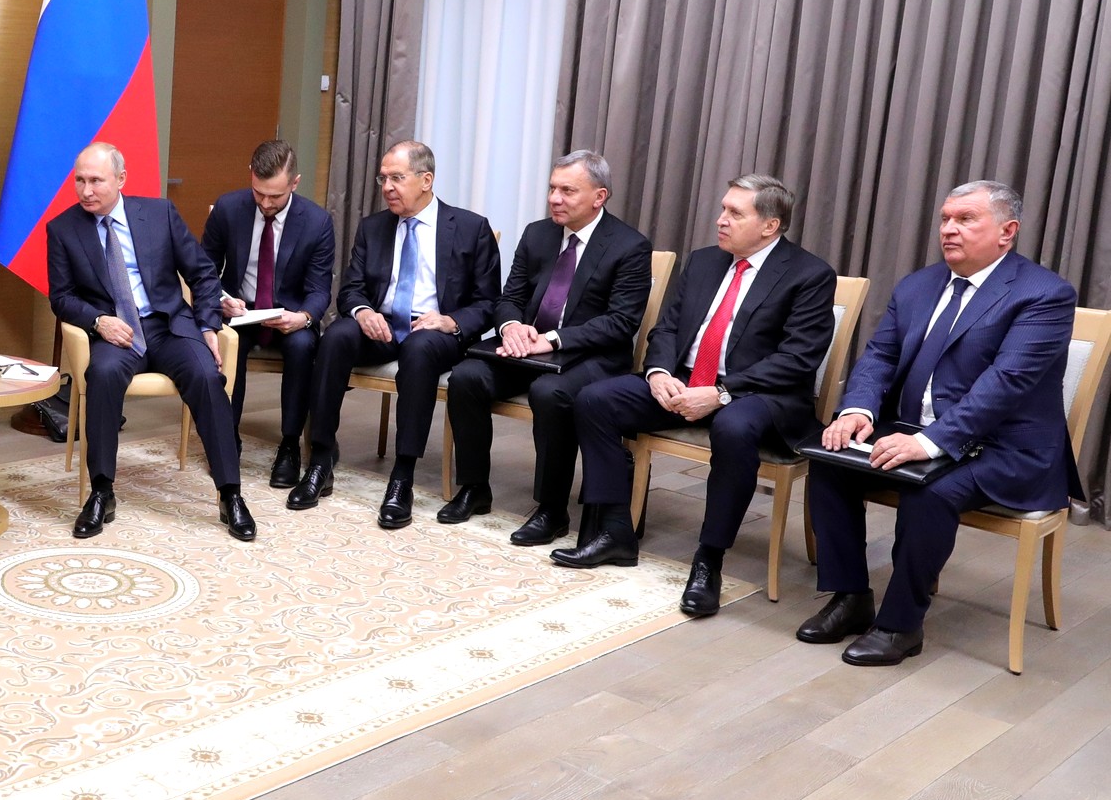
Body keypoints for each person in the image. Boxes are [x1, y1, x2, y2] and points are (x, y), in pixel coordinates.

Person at [801, 180, 1079, 666]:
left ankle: (900, 625)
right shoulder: (919, 285)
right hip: (914, 429)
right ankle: (850, 597)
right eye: (946, 219)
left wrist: (930, 443)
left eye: (966, 219)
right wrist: (857, 411)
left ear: (1007, 231)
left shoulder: (1044, 294)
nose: (949, 229)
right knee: (830, 462)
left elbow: (1007, 382)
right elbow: (879, 357)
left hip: (1004, 448)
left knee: (931, 492)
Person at [556, 176, 838, 618]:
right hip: (685, 380)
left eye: (735, 213)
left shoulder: (809, 274)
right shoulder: (705, 261)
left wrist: (722, 392)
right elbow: (667, 328)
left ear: (770, 225)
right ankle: (614, 531)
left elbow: (797, 360)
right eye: (723, 209)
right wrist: (658, 373)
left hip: (759, 393)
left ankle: (709, 560)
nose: (721, 220)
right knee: (595, 399)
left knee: (733, 427)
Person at [440, 151, 653, 544]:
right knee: (467, 377)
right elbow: (510, 297)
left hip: (590, 355)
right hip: (527, 346)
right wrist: (511, 327)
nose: (554, 198)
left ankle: (552, 509)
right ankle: (474, 487)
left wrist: (553, 339)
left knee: (549, 393)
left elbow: (620, 323)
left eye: (567, 191)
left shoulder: (629, 246)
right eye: (552, 188)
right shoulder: (538, 234)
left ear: (599, 196)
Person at [46, 141, 256, 541]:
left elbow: (202, 274)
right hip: (116, 333)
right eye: (79, 181)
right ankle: (101, 492)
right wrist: (99, 321)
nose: (86, 191)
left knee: (207, 376)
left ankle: (230, 494)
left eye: (96, 181)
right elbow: (62, 297)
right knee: (102, 376)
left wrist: (207, 325)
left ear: (121, 180)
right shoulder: (63, 229)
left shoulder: (159, 214)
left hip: (168, 326)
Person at [286, 140, 500, 528]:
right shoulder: (374, 227)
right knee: (335, 337)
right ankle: (320, 460)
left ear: (426, 180)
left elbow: (488, 302)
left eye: (397, 178)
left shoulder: (471, 229)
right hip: (381, 325)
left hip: (435, 330)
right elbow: (351, 289)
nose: (387, 187)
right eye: (383, 178)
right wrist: (363, 311)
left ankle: (402, 477)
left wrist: (450, 321)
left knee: (419, 350)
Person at [199, 139, 336, 487]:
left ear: (295, 183)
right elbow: (204, 269)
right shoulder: (228, 209)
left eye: (275, 196)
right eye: (259, 193)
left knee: (303, 347)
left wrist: (304, 317)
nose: (265, 203)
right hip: (240, 311)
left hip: (290, 315)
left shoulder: (317, 222)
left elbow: (319, 289)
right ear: (251, 176)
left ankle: (289, 445)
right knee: (227, 345)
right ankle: (227, 437)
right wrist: (221, 298)